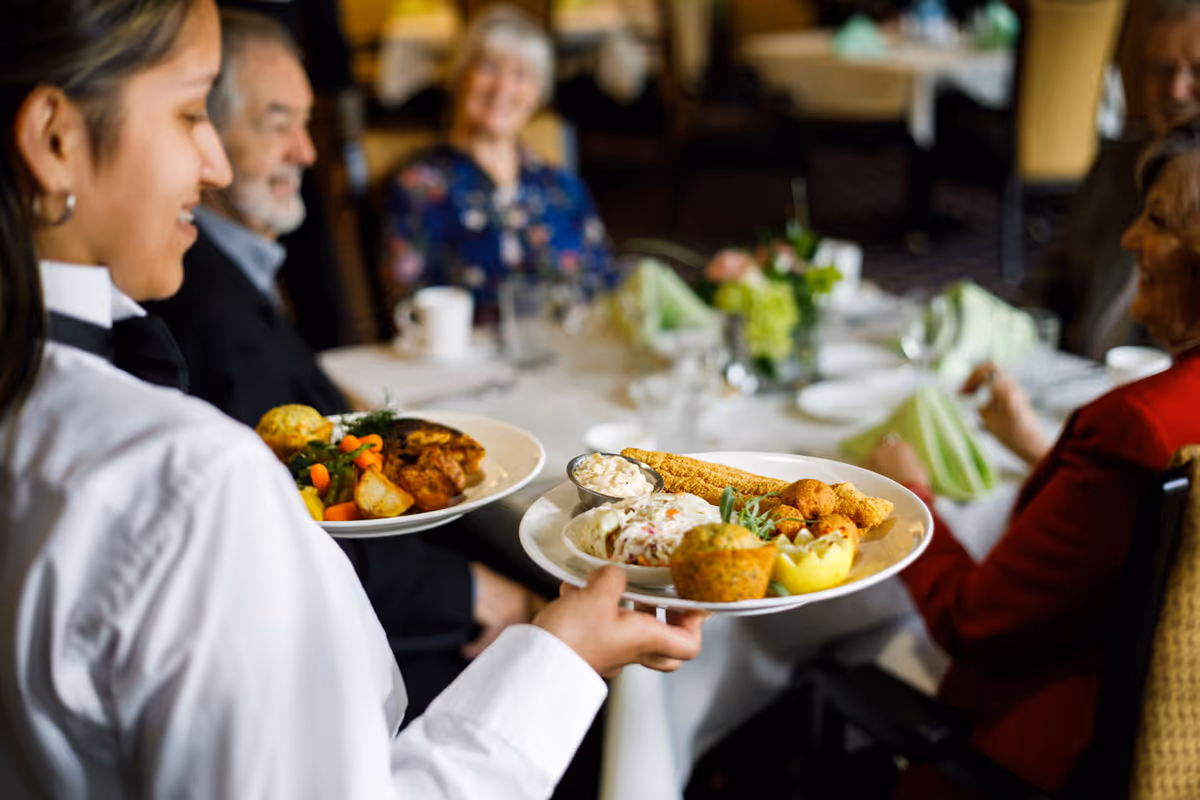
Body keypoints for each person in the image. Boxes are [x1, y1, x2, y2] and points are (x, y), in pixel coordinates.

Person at [0, 1, 705, 796]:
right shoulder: (191, 480)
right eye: (191, 110)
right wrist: (562, 659)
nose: (217, 165)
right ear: (56, 140)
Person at [140, 8, 548, 722]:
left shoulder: (242, 271)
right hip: (335, 658)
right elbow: (297, 530)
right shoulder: (204, 304)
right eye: (277, 123)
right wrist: (480, 595)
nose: (306, 150)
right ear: (202, 129)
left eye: (307, 122)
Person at [862, 121, 1200, 798]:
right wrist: (1040, 448)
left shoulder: (1136, 423)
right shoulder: (1157, 425)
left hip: (1054, 747)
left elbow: (974, 623)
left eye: (1157, 222)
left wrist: (906, 502)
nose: (1131, 238)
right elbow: (1147, 538)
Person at [381, 5, 617, 321]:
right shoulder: (420, 184)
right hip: (471, 362)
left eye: (521, 75)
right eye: (489, 68)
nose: (503, 88)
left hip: (573, 351)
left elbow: (605, 278)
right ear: (462, 76)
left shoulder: (560, 185)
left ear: (537, 95)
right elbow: (407, 301)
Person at [1022, 0, 1200, 359]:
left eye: (1198, 71)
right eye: (1162, 70)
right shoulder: (1118, 160)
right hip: (1071, 379)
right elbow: (1048, 281)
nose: (1176, 90)